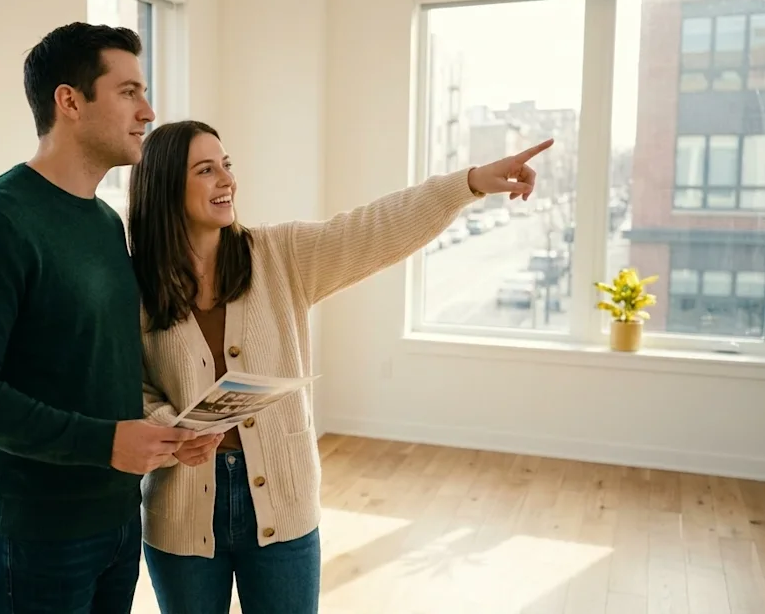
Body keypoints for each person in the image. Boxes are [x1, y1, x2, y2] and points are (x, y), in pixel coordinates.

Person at [127, 120, 550, 613]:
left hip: (282, 506)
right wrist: (169, 430)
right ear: (164, 187)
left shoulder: (279, 255)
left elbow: (374, 228)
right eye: (206, 169)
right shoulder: (133, 283)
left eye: (227, 165)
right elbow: (125, 385)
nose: (227, 180)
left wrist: (469, 183)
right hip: (181, 513)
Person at [0, 23, 214, 614]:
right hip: (36, 535)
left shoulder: (106, 222)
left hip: (117, 516)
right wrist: (107, 442)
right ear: (70, 101)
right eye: (129, 91)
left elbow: (96, 365)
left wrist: (162, 434)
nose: (148, 110)